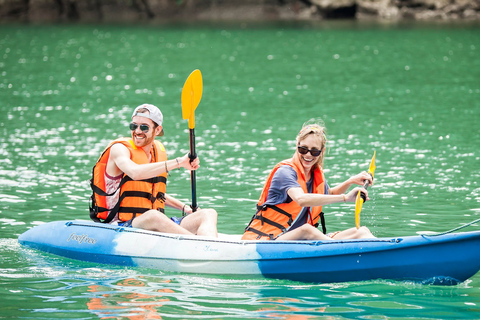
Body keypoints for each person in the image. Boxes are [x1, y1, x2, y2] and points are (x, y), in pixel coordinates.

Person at [90, 103, 218, 237]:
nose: (137, 131)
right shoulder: (119, 149)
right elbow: (135, 173)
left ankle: (212, 248)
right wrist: (179, 162)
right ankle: (199, 245)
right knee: (154, 216)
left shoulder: (157, 152)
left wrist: (185, 208)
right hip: (121, 225)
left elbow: (153, 193)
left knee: (208, 214)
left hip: (152, 223)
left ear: (157, 130)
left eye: (144, 127)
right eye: (134, 126)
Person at [242, 119, 375, 241]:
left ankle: (380, 252)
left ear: (322, 152)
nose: (308, 155)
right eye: (303, 149)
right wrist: (345, 198)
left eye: (314, 151)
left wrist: (350, 181)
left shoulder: (315, 174)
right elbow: (301, 200)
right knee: (307, 230)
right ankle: (340, 250)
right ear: (297, 145)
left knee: (362, 231)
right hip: (267, 240)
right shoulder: (285, 172)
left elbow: (329, 195)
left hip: (299, 240)